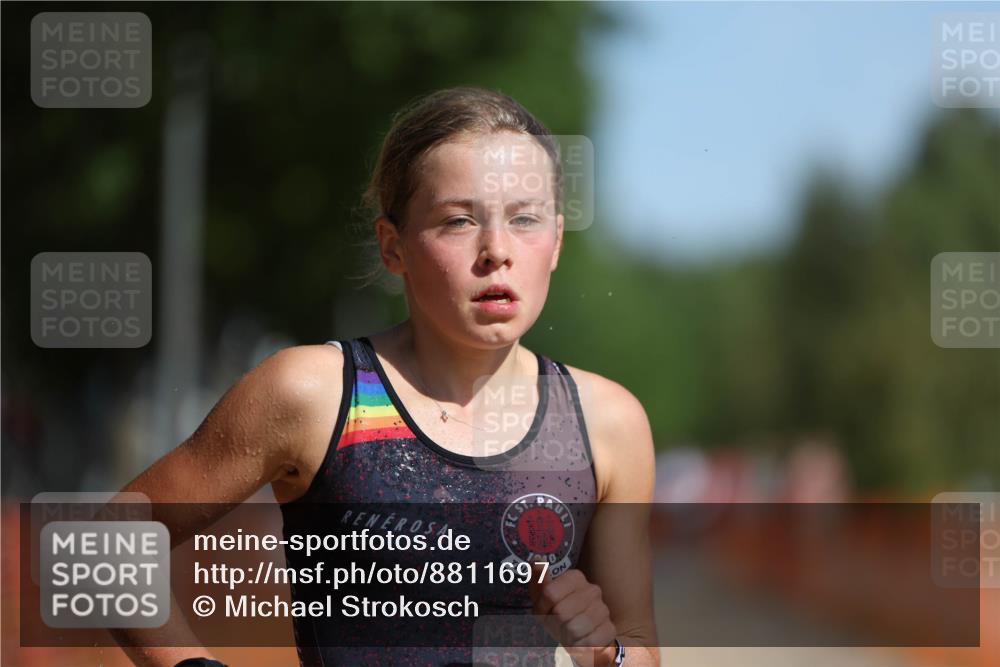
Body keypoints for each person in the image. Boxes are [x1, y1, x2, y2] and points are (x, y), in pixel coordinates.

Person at [115, 86, 659, 667]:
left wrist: (606, 653)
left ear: (555, 242)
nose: (497, 250)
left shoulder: (606, 423)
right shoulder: (315, 394)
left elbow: (639, 647)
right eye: (458, 220)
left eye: (524, 219)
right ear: (393, 246)